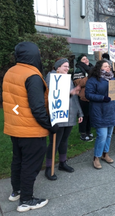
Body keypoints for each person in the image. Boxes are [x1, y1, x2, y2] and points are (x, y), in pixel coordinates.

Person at [2, 42, 58, 212]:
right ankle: (26, 200)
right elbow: (37, 108)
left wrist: (17, 113)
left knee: (18, 160)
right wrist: (50, 126)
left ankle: (16, 191)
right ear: (34, 55)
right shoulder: (32, 76)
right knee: (30, 164)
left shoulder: (10, 72)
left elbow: (14, 102)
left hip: (15, 127)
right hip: (31, 130)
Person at [45, 58, 84, 181]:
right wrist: (71, 93)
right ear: (57, 68)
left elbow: (74, 98)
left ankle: (62, 163)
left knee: (64, 141)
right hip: (58, 115)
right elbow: (54, 97)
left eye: (68, 66)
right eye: (64, 66)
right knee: (54, 142)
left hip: (70, 114)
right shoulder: (51, 78)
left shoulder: (68, 79)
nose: (67, 69)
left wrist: (80, 113)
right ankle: (48, 168)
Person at [85, 60, 115, 169]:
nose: (108, 68)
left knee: (108, 135)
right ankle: (96, 157)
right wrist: (102, 98)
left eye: (109, 66)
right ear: (99, 68)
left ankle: (105, 153)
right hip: (100, 111)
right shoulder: (93, 80)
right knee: (102, 136)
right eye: (105, 66)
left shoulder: (113, 79)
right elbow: (88, 94)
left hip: (111, 110)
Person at [73, 54, 94, 141]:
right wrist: (89, 77)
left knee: (89, 116)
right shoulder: (78, 70)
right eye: (83, 59)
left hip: (91, 96)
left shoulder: (91, 68)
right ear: (80, 61)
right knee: (83, 116)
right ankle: (83, 133)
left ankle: (88, 131)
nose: (86, 60)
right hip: (83, 97)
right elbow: (78, 83)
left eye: (86, 58)